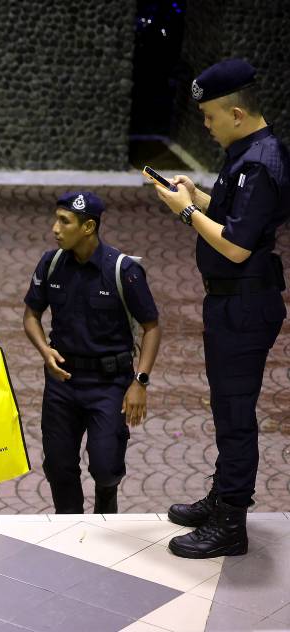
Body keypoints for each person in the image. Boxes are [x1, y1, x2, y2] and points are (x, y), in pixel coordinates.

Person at [152, 59, 289, 559]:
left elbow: (235, 245)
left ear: (235, 112)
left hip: (244, 305)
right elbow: (234, 214)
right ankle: (222, 497)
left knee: (235, 415)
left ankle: (231, 521)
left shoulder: (260, 162)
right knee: (226, 409)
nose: (205, 125)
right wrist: (197, 197)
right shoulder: (248, 152)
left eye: (209, 116)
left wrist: (184, 212)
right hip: (233, 302)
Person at [23, 192, 161, 515]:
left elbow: (152, 327)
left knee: (106, 466)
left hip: (109, 383)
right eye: (56, 219)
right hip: (63, 381)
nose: (55, 228)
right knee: (58, 465)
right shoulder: (51, 263)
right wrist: (45, 351)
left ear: (88, 227)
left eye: (64, 221)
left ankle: (105, 512)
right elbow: (31, 316)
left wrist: (139, 382)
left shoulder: (122, 270)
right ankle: (69, 526)